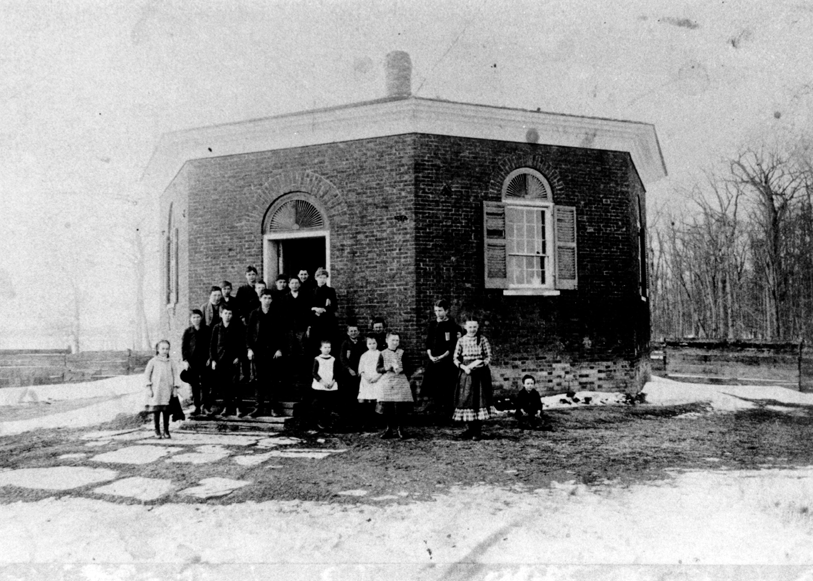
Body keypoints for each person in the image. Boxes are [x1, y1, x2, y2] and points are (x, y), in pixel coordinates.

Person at [452, 317, 497, 440]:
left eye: (474, 327)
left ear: (477, 328)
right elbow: (455, 358)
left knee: (479, 399)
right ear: (465, 327)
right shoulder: (461, 340)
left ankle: (477, 431)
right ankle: (470, 429)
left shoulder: (482, 339)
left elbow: (488, 356)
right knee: (467, 399)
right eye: (470, 327)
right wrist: (463, 367)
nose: (472, 329)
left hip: (480, 373)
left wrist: (482, 364)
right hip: (466, 373)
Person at [246, 289, 285, 417]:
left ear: (272, 300)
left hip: (272, 351)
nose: (267, 300)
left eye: (269, 298)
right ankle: (258, 408)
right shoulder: (254, 314)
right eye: (265, 298)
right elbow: (248, 334)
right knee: (259, 380)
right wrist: (249, 349)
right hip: (258, 351)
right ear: (260, 299)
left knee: (273, 380)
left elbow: (281, 333)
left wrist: (279, 349)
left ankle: (274, 408)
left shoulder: (277, 313)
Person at [422, 299, 461, 417]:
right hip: (433, 361)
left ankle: (449, 412)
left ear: (446, 311)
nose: (437, 313)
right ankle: (436, 412)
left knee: (447, 386)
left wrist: (442, 356)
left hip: (446, 362)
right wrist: (431, 356)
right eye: (436, 311)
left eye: (440, 310)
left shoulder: (452, 325)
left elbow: (453, 345)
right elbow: (428, 342)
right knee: (434, 387)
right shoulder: (432, 324)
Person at [209, 303, 246, 417]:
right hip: (221, 360)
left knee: (236, 384)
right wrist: (213, 360)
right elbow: (212, 345)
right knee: (225, 385)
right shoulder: (216, 327)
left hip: (233, 360)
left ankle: (238, 408)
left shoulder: (237, 327)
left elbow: (241, 344)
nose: (228, 316)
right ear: (221, 314)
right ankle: (227, 407)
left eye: (230, 313)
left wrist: (238, 357)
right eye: (225, 313)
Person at [376, 331, 413, 439]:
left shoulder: (402, 352)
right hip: (387, 381)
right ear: (387, 341)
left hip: (400, 380)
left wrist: (402, 369)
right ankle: (388, 429)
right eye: (393, 340)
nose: (395, 342)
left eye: (397, 340)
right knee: (387, 407)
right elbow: (378, 369)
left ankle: (400, 429)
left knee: (399, 407)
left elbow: (408, 367)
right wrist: (386, 368)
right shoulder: (382, 353)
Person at [144, 339, 180, 439]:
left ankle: (166, 430)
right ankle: (157, 430)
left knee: (166, 411)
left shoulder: (171, 362)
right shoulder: (153, 361)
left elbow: (175, 375)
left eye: (167, 349)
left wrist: (175, 388)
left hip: (167, 390)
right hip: (156, 390)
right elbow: (147, 375)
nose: (165, 351)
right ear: (157, 349)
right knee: (156, 410)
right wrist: (149, 388)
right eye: (162, 348)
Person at [283, 275, 312, 395]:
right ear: (289, 285)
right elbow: (282, 315)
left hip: (301, 329)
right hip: (289, 329)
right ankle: (290, 381)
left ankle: (302, 379)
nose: (294, 285)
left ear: (299, 285)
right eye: (292, 283)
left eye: (296, 283)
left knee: (302, 352)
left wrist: (308, 327)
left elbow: (309, 313)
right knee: (290, 353)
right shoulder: (284, 298)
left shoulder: (305, 297)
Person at [181, 309, 211, 416]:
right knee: (195, 385)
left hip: (204, 361)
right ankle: (197, 407)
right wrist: (185, 360)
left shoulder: (207, 330)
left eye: (198, 317)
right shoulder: (188, 332)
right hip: (192, 362)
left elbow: (210, 345)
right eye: (194, 317)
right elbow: (184, 347)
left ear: (201, 318)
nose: (196, 319)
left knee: (206, 384)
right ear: (191, 319)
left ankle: (206, 407)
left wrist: (210, 358)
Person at [339, 323, 366, 425]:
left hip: (359, 374)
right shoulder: (345, 343)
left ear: (358, 332)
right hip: (348, 374)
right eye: (351, 331)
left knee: (358, 396)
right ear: (347, 333)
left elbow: (364, 358)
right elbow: (342, 358)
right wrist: (349, 369)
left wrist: (361, 370)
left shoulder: (362, 344)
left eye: (355, 331)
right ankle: (348, 421)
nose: (353, 333)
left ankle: (358, 421)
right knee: (348, 396)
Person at [311, 339, 339, 430]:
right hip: (320, 385)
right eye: (325, 347)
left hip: (330, 384)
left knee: (329, 404)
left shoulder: (333, 359)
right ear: (320, 348)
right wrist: (322, 382)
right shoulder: (317, 359)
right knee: (319, 404)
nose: (327, 349)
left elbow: (336, 372)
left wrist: (333, 381)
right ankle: (320, 422)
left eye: (329, 347)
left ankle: (328, 422)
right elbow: (314, 373)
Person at [357, 334, 383, 431]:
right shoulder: (364, 355)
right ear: (366, 344)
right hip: (366, 381)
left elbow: (383, 369)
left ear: (377, 343)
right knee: (366, 401)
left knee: (376, 400)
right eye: (370, 343)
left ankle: (376, 423)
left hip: (377, 380)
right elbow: (361, 369)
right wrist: (366, 378)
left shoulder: (381, 354)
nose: (372, 345)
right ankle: (366, 423)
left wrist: (377, 377)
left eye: (374, 343)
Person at [309, 267, 337, 353]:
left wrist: (324, 310)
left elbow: (334, 306)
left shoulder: (330, 291)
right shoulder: (311, 291)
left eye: (324, 277)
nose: (322, 279)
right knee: (315, 345)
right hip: (315, 322)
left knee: (328, 344)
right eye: (320, 277)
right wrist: (315, 309)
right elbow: (308, 306)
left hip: (327, 322)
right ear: (316, 278)